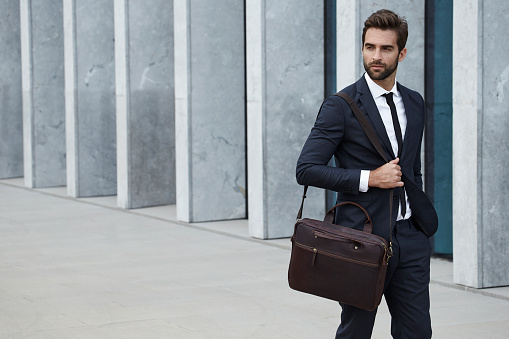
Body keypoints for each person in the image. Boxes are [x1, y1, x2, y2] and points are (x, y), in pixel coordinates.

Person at [296, 9, 438, 339]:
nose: (376, 56)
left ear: (401, 53)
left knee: (417, 332)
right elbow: (306, 169)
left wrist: (420, 222)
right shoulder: (341, 105)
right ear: (362, 48)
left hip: (411, 238)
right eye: (369, 47)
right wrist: (369, 178)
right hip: (362, 240)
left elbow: (411, 169)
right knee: (356, 331)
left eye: (386, 48)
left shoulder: (414, 103)